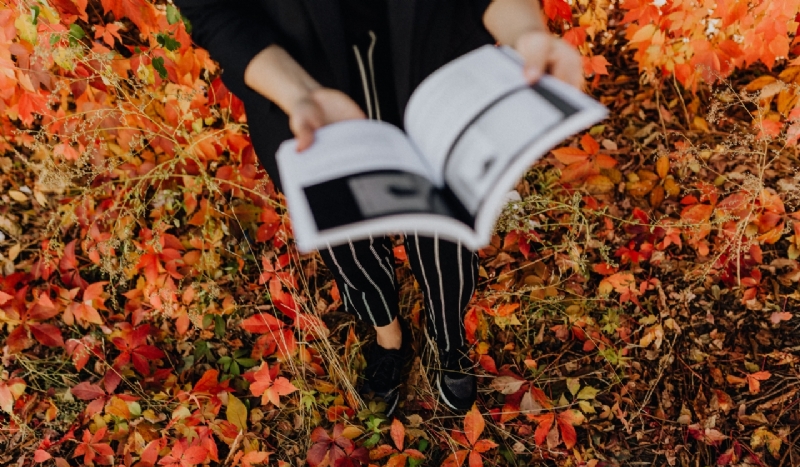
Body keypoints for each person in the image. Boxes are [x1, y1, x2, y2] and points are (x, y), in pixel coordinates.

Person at [174, 0, 584, 415]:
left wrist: (527, 34)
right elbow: (215, 9)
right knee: (350, 243)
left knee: (446, 237)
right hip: (308, 99)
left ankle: (449, 337)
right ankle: (389, 335)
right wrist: (298, 93)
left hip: (437, 85)